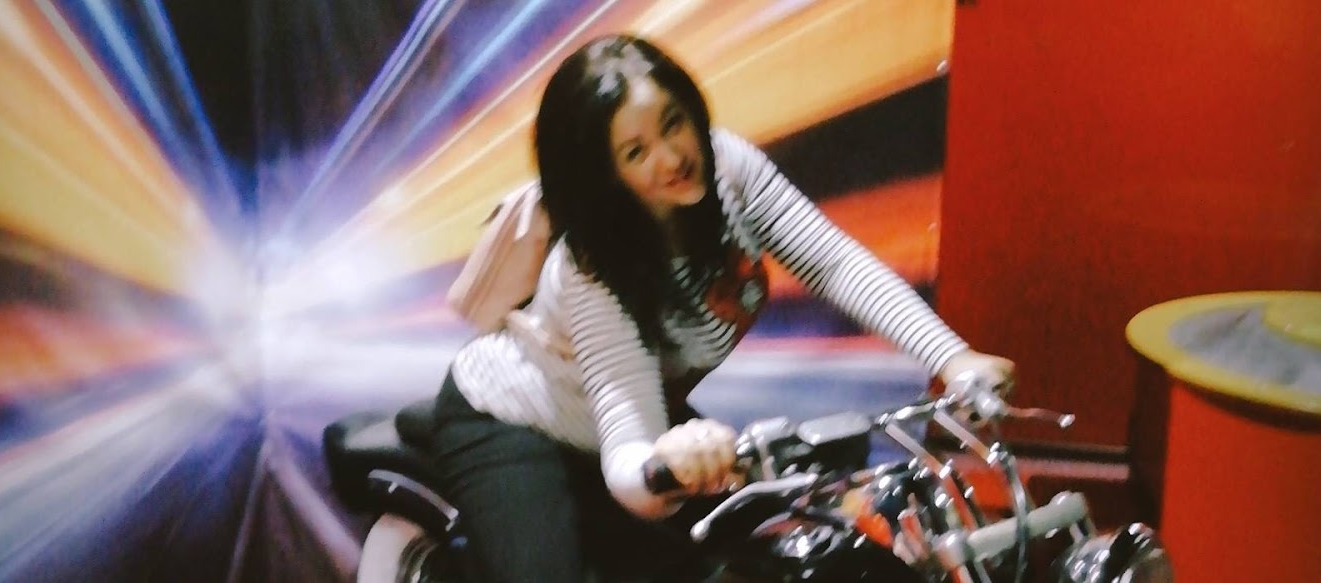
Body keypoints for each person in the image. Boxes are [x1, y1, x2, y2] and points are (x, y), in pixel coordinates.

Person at [430, 33, 1015, 582]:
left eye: (673, 123)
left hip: (638, 422)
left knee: (774, 546)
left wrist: (951, 358)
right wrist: (664, 461)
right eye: (636, 151)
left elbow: (834, 264)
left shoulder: (728, 169)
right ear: (605, 175)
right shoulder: (593, 270)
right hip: (513, 418)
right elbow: (629, 448)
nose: (671, 157)